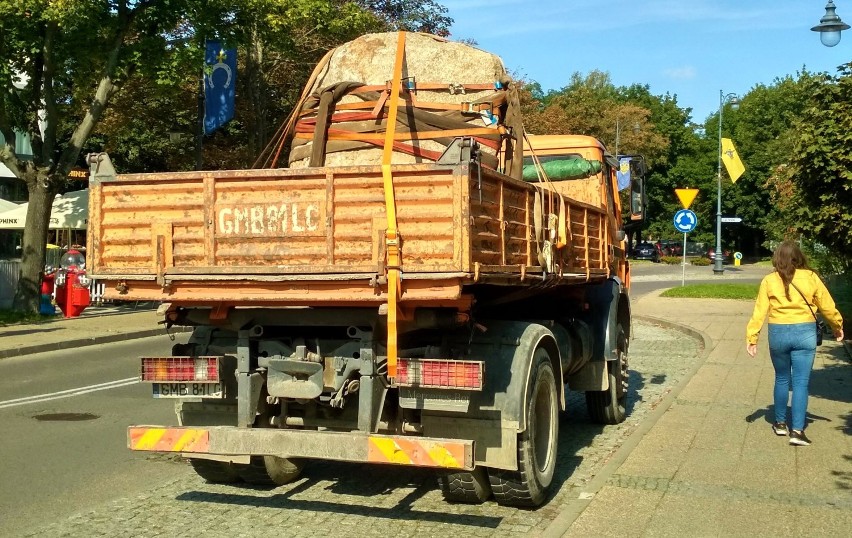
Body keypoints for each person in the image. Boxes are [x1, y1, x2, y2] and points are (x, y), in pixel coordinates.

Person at [746, 240, 844, 446]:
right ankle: (797, 431)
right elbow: (826, 305)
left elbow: (759, 311)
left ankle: (780, 423)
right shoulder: (811, 278)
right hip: (804, 334)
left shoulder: (769, 280)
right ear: (799, 257)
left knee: (782, 378)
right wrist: (837, 325)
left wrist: (752, 337)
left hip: (778, 333)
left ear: (777, 258)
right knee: (801, 383)